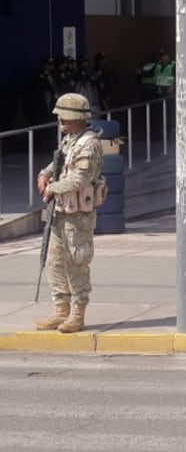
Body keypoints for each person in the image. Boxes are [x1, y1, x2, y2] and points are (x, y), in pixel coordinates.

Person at [34, 93, 106, 334]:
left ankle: (77, 313)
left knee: (76, 261)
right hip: (59, 210)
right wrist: (44, 174)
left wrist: (52, 188)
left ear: (76, 118)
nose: (61, 122)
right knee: (54, 260)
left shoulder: (89, 143)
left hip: (78, 215)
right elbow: (59, 164)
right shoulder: (70, 140)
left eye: (64, 117)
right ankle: (61, 309)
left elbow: (81, 177)